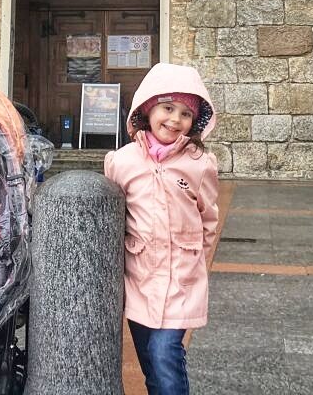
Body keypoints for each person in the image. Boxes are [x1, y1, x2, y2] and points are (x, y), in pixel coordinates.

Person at [104, 63, 219, 395]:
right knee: (151, 367)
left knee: (163, 353)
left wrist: (195, 259)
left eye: (185, 113)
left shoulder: (199, 164)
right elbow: (113, 218)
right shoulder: (122, 162)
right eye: (168, 108)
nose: (175, 119)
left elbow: (208, 219)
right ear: (148, 109)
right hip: (139, 279)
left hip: (181, 279)